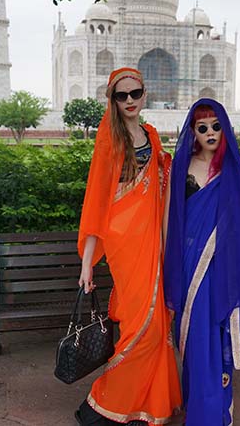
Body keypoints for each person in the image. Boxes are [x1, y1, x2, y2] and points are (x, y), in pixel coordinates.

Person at [76, 67, 182, 426]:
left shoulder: (151, 135)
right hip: (124, 243)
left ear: (144, 93)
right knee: (141, 327)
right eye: (122, 96)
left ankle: (148, 405)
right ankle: (106, 405)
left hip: (154, 241)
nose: (130, 101)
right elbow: (96, 201)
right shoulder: (108, 137)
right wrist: (87, 264)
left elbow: (164, 180)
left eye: (135, 93)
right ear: (112, 100)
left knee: (156, 327)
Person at [163, 98, 240, 426]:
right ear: (193, 131)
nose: (210, 133)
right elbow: (171, 220)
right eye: (202, 127)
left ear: (225, 128)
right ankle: (200, 409)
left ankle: (215, 414)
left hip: (225, 270)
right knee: (195, 340)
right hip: (190, 266)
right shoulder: (181, 167)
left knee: (217, 338)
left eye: (216, 126)